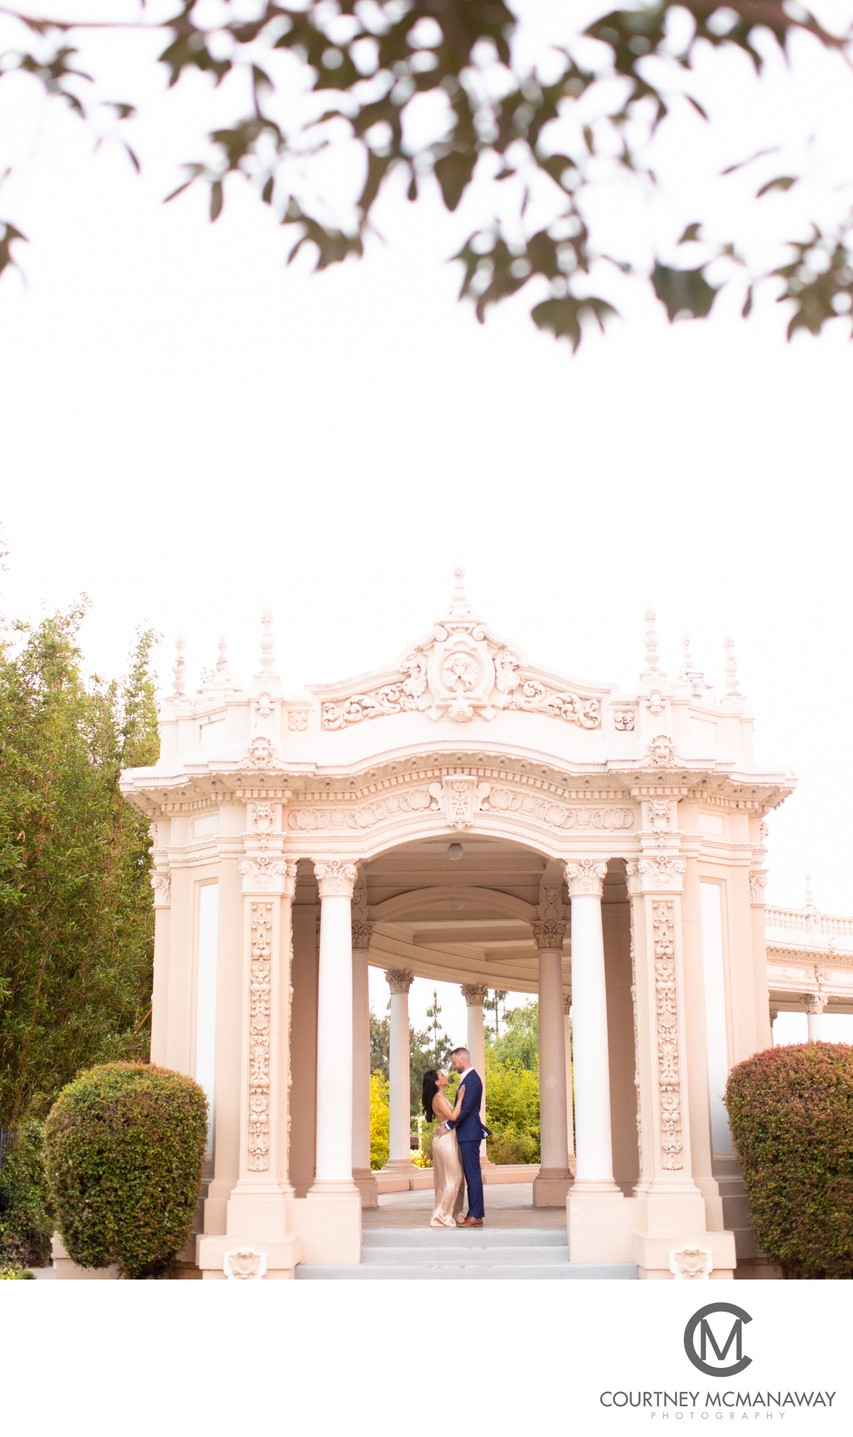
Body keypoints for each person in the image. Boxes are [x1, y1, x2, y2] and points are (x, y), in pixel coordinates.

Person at [433, 1046, 490, 1227]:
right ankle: (472, 1213)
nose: (453, 1065)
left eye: (454, 1062)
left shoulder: (473, 1080)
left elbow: (465, 1110)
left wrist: (448, 1126)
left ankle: (476, 1215)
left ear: (463, 1059)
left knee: (472, 1174)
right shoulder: (467, 1079)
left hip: (469, 1134)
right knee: (469, 1174)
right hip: (465, 1134)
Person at [421, 1068, 465, 1227]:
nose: (445, 1075)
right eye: (442, 1075)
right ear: (437, 1082)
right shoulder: (438, 1098)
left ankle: (451, 1212)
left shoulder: (441, 1097)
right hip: (445, 1139)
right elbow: (453, 1116)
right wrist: (460, 1098)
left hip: (449, 1137)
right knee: (453, 1178)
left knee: (452, 1179)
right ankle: (441, 1217)